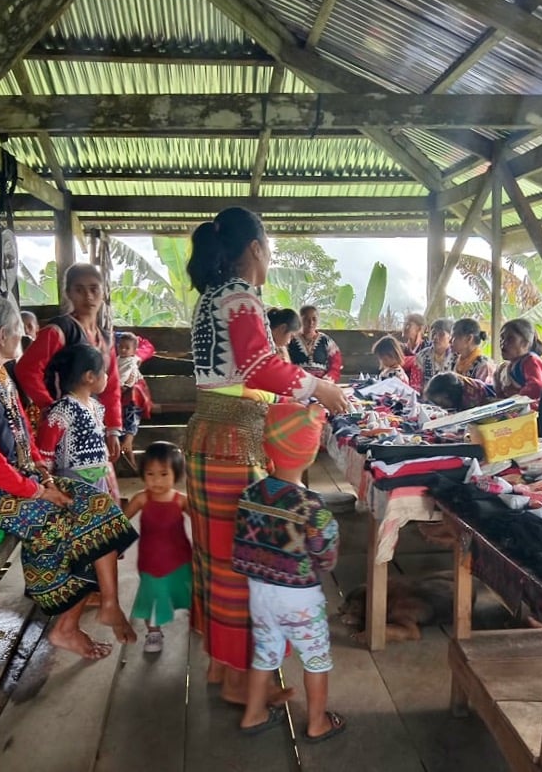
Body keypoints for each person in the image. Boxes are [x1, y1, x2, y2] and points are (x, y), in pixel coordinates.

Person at [185, 206, 348, 706]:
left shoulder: (210, 296)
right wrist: (320, 388)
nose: (270, 255)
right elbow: (259, 367)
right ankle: (239, 683)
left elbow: (241, 374)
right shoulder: (240, 297)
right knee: (243, 563)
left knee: (215, 558)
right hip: (234, 443)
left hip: (208, 437)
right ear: (255, 248)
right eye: (269, 246)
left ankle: (220, 665)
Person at [0, 294, 137, 659]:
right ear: (2, 335)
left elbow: (24, 438)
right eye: (18, 330)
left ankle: (107, 603)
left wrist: (43, 475)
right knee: (67, 525)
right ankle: (65, 626)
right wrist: (39, 491)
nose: (21, 337)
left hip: (21, 480)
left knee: (98, 506)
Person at [233, 402, 345, 742]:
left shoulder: (250, 494)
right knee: (315, 659)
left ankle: (253, 714)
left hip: (260, 594)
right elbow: (325, 553)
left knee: (265, 653)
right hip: (300, 599)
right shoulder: (311, 506)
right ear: (311, 452)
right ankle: (317, 722)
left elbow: (244, 543)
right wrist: (324, 562)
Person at [15, 263, 123, 466]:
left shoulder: (106, 339)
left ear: (104, 291)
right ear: (68, 293)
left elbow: (112, 386)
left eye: (94, 289)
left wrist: (113, 429)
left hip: (91, 425)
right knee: (66, 475)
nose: (88, 296)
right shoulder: (59, 330)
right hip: (60, 430)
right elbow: (27, 369)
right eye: (79, 290)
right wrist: (50, 406)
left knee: (95, 474)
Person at [124, 441, 191, 654]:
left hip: (180, 559)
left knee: (185, 589)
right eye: (150, 474)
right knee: (152, 594)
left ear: (176, 474)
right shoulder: (141, 498)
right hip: (150, 560)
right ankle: (153, 631)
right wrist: (115, 546)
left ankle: (197, 619)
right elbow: (121, 523)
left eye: (163, 474)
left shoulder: (181, 501)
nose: (156, 480)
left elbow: (203, 524)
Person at [36, 344, 110, 492]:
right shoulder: (64, 409)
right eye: (104, 371)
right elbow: (46, 449)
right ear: (90, 377)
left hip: (98, 477)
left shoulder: (96, 406)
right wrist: (49, 482)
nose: (107, 376)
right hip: (72, 480)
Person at [117, 331, 154, 464]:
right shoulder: (117, 359)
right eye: (121, 347)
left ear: (133, 350)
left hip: (133, 393)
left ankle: (129, 438)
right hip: (118, 393)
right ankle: (129, 457)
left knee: (132, 401)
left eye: (126, 348)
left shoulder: (132, 360)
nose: (123, 350)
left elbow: (128, 377)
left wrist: (123, 387)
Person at [493, 318, 542, 401]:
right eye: (502, 338)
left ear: (525, 343)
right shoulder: (505, 368)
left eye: (510, 339)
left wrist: (514, 399)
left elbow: (537, 386)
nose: (503, 343)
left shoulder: (531, 361)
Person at [288, 305, 343, 382]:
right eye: (306, 319)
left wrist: (328, 379)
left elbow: (336, 365)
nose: (311, 322)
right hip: (297, 382)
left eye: (314, 319)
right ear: (300, 320)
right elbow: (284, 362)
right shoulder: (291, 340)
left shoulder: (326, 340)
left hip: (322, 383)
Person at [415, 317, 455, 392]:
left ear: (450, 336)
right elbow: (416, 386)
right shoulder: (421, 356)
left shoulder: (457, 357)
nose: (435, 337)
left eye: (441, 334)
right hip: (427, 396)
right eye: (433, 333)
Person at [424, 371, 495, 411]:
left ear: (448, 395)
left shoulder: (472, 397)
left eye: (441, 403)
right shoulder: (458, 388)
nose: (442, 407)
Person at [450, 318, 494, 383]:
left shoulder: (483, 366)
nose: (450, 341)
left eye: (454, 337)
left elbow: (483, 389)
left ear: (469, 339)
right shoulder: (454, 360)